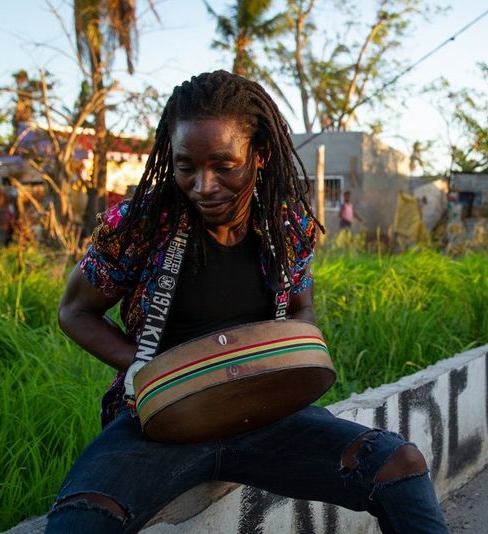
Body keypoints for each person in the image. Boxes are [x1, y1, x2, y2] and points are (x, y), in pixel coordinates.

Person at [48, 71, 448, 533]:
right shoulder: (141, 224)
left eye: (224, 165)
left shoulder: (286, 225)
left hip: (264, 415)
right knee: (81, 521)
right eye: (186, 167)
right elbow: (74, 311)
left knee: (398, 464)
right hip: (160, 420)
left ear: (257, 156)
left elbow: (301, 310)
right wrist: (141, 366)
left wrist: (289, 365)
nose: (204, 185)